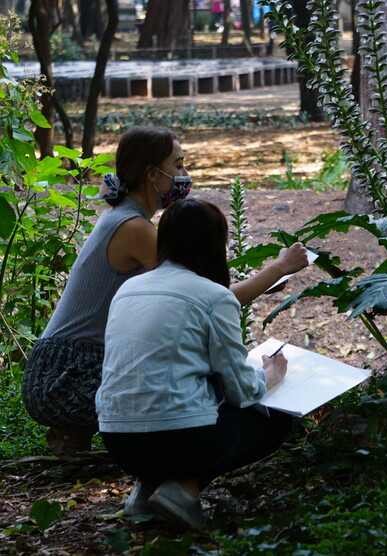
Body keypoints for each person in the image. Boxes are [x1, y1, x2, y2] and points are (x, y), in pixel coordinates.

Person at [21, 126, 308, 457]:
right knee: (198, 377)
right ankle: (99, 436)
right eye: (179, 165)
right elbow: (209, 299)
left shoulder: (120, 216)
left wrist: (266, 279)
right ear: (152, 175)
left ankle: (75, 438)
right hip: (65, 379)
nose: (185, 175)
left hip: (55, 368)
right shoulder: (135, 228)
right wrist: (277, 269)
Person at [96, 198, 292, 527]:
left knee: (188, 393)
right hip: (176, 441)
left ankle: (146, 491)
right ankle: (183, 490)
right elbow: (241, 389)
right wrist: (271, 375)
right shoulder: (214, 295)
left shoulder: (129, 289)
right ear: (216, 243)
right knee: (276, 417)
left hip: (117, 440)